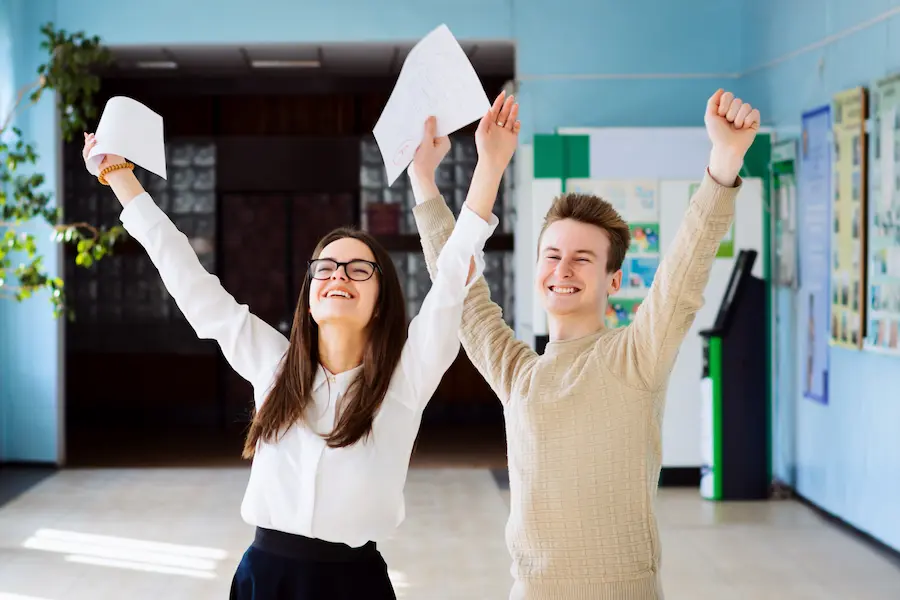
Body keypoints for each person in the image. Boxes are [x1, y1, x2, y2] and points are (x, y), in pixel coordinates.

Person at [80, 114, 517, 599]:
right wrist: (117, 173)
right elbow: (188, 279)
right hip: (266, 579)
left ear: (382, 299)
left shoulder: (406, 378)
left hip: (354, 584)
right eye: (325, 268)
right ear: (309, 296)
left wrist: (490, 165)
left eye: (358, 269)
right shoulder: (274, 365)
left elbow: (455, 270)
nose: (338, 276)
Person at [409, 89, 760, 599]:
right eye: (551, 256)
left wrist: (724, 161)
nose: (562, 270)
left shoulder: (635, 358)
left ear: (613, 281)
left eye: (582, 258)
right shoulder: (519, 374)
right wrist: (424, 182)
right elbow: (460, 296)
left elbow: (683, 276)